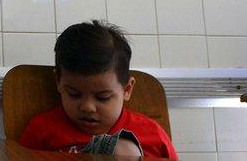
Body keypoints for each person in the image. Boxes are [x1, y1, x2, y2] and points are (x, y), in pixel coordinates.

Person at [18, 21, 178, 159]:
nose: (87, 107)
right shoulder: (42, 131)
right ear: (58, 82)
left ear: (127, 89)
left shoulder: (152, 135)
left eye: (103, 97)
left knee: (124, 149)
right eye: (74, 94)